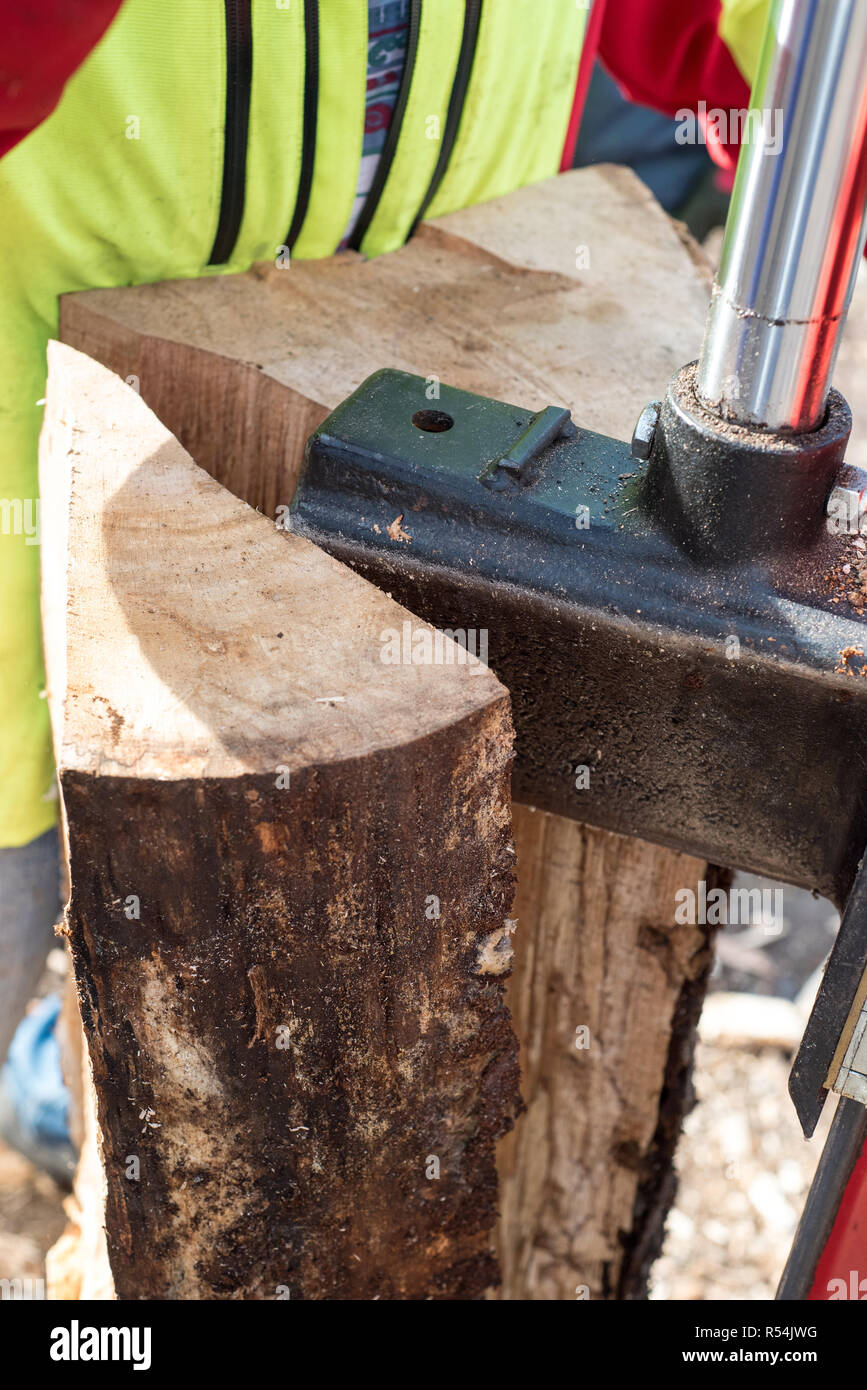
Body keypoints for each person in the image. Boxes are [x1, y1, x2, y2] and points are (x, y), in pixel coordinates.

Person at [0, 0, 767, 1170]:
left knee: (302, 972)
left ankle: (116, 1084)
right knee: (16, 890)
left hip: (463, 380)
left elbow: (746, 34)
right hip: (24, 392)